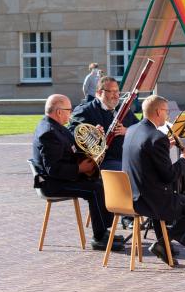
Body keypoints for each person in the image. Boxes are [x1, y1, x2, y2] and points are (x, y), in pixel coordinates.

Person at [122, 95, 185, 266]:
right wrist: (184, 159)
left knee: (169, 201)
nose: (168, 116)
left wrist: (163, 148)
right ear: (158, 112)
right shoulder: (156, 137)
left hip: (130, 194)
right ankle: (163, 243)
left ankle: (165, 246)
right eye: (166, 112)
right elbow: (168, 175)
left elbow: (146, 156)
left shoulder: (132, 130)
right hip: (150, 199)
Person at [31, 94, 123, 252]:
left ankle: (105, 231)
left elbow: (72, 145)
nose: (71, 112)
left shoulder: (54, 126)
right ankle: (99, 238)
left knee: (100, 183)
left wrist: (94, 134)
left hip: (60, 177)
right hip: (52, 183)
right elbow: (53, 169)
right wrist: (80, 169)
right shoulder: (48, 133)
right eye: (68, 110)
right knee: (95, 189)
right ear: (59, 111)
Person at [68, 75, 139, 171]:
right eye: (112, 92)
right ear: (99, 93)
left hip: (127, 157)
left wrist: (127, 131)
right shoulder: (84, 110)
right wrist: (91, 134)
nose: (116, 95)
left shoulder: (124, 110)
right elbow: (72, 133)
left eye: (117, 91)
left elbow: (140, 129)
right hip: (104, 161)